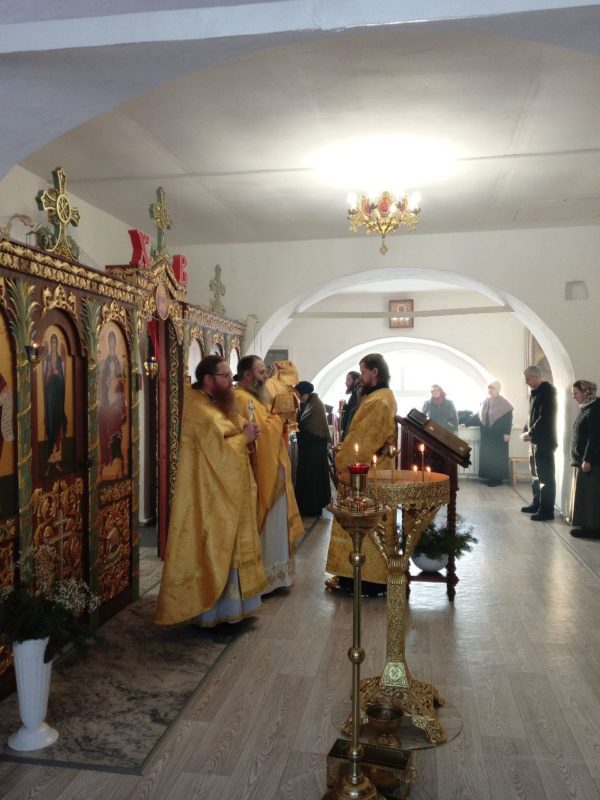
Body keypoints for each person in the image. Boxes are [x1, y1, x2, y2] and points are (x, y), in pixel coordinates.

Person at [155, 355, 266, 627]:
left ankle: (236, 609)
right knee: (217, 548)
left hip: (228, 489)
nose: (231, 381)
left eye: (229, 375)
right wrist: (244, 438)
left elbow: (232, 421)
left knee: (232, 545)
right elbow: (219, 453)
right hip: (210, 494)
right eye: (225, 376)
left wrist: (246, 427)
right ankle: (214, 613)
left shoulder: (214, 401)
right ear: (208, 379)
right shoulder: (200, 411)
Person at [325, 353, 397, 593]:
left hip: (367, 474)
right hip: (371, 470)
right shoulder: (381, 396)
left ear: (375, 372)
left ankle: (365, 581)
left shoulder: (379, 401)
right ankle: (352, 577)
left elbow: (364, 440)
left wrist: (341, 460)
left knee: (363, 523)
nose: (361, 377)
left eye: (363, 371)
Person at [234, 355, 304, 593]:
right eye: (261, 372)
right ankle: (265, 579)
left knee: (276, 526)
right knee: (267, 528)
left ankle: (278, 577)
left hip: (274, 470)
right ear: (247, 375)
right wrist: (280, 417)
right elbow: (262, 432)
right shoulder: (241, 398)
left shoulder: (254, 397)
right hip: (263, 474)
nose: (266, 377)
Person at [520, 365, 557, 521]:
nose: (526, 382)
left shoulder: (547, 392)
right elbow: (531, 416)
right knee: (535, 476)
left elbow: (545, 417)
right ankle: (537, 504)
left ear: (536, 376)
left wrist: (531, 433)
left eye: (528, 379)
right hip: (535, 441)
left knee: (545, 477)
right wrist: (525, 430)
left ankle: (547, 511)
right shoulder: (535, 393)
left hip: (544, 441)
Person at [294, 380, 331, 516]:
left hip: (315, 447)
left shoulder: (315, 404)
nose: (298, 397)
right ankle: (309, 506)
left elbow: (308, 426)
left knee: (313, 478)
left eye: (298, 394)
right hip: (313, 446)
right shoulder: (311, 402)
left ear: (304, 393)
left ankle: (312, 508)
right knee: (310, 477)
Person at [569, 380, 600, 538]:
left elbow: (595, 438)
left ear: (586, 392)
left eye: (576, 393)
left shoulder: (595, 409)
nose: (574, 397)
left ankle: (594, 529)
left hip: (592, 463)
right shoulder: (586, 407)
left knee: (592, 495)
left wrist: (588, 459)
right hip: (583, 461)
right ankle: (586, 526)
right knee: (585, 494)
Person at [98, 330, 128, 479]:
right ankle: (106, 459)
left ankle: (116, 457)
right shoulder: (105, 363)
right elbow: (102, 383)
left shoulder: (117, 361)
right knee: (101, 417)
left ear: (115, 343)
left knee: (112, 419)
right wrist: (106, 381)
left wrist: (116, 382)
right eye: (109, 341)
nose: (111, 343)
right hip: (106, 402)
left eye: (113, 341)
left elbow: (122, 386)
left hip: (117, 404)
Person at [478, 380, 513, 486]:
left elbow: (508, 419)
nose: (490, 390)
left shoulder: (503, 402)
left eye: (492, 388)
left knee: (497, 457)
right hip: (487, 434)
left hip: (499, 434)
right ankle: (489, 477)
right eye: (489, 388)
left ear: (497, 389)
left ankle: (497, 479)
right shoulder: (485, 401)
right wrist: (465, 423)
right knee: (488, 456)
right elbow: (478, 416)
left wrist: (507, 433)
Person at [43, 332, 67, 474]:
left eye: (55, 342)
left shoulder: (59, 360)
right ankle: (48, 462)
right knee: (49, 426)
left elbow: (63, 382)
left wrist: (57, 373)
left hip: (57, 399)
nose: (53, 344)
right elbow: (45, 382)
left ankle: (56, 461)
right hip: (49, 399)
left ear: (57, 344)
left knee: (57, 429)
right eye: (51, 342)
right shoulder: (47, 360)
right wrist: (48, 374)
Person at [340, 371, 360, 440]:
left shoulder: (358, 395)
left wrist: (345, 407)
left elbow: (353, 413)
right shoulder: (354, 394)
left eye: (348, 379)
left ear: (356, 380)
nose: (346, 382)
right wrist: (345, 406)